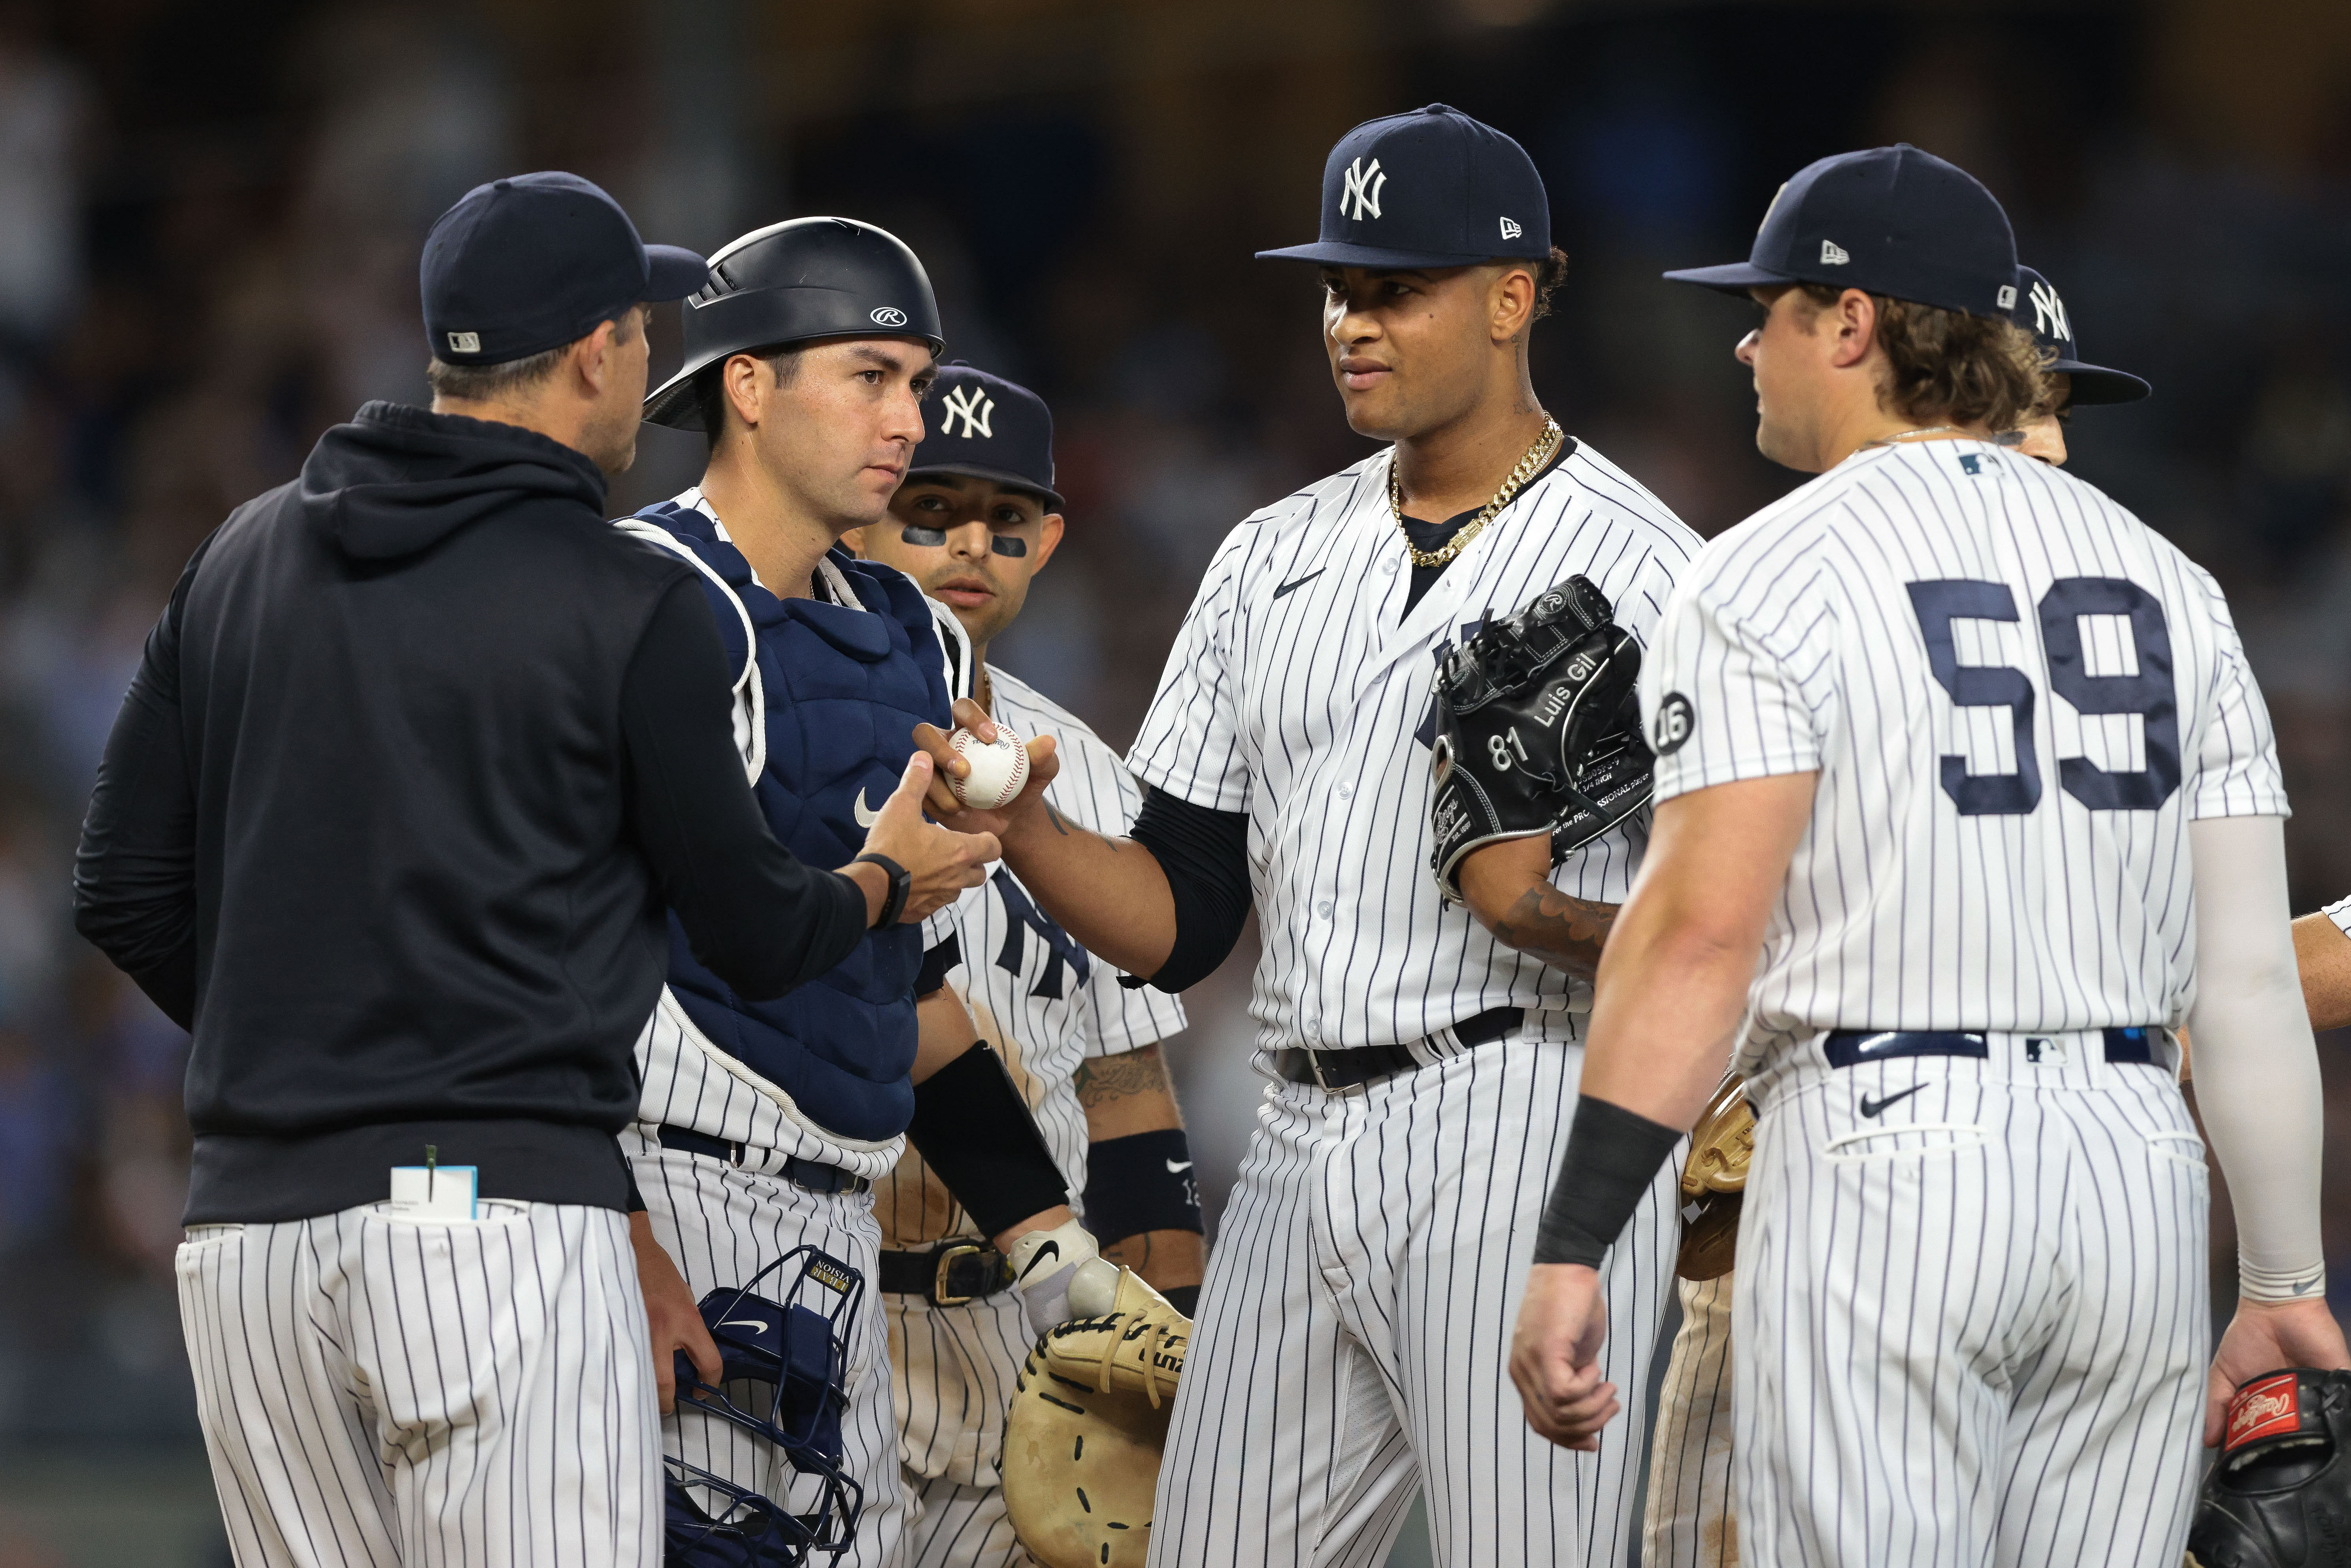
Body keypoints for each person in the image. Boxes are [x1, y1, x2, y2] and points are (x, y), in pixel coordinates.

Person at [71, 171, 990, 1568]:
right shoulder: (631, 600)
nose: (646, 358)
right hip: (489, 1224)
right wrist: (881, 879)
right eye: (639, 327)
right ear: (592, 355)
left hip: (251, 1240)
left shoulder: (243, 554)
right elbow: (754, 930)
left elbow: (122, 890)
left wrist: (320, 1063)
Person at [1509, 143, 2350, 1567]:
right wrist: (2282, 1277)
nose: (1744, 337)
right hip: (2137, 1181)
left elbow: (1705, 938)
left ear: (1855, 325)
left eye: (1771, 306)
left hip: (1888, 1160)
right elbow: (2250, 982)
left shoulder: (1767, 569)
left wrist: (1577, 1239)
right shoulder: (2174, 581)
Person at [916, 106, 1703, 1568]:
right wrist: (1024, 823)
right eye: (1339, 286)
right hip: (1289, 1135)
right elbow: (1190, 912)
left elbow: (1735, 918)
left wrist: (1547, 918)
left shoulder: (1661, 573)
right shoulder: (1268, 553)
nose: (1352, 320)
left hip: (1521, 1106)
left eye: (1395, 288)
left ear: (1517, 294)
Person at [1633, 259, 2155, 1568]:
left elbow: (2229, 973)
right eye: (2020, 405)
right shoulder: (1783, 610)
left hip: (1961, 1211)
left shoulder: (2134, 628)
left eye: (2058, 414)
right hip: (1792, 1227)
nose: (2037, 442)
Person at [623, 220, 1114, 1567]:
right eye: (870, 376)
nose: (911, 418)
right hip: (669, 1181)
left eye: (917, 377)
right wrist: (614, 1233)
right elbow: (531, 954)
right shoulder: (643, 597)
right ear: (749, 384)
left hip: (834, 1211)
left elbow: (908, 990)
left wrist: (1055, 1251)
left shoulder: (910, 636)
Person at [847, 361, 1205, 1568]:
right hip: (814, 1288)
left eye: (1005, 521)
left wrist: (1174, 1349)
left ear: (1049, 538)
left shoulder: (1089, 775)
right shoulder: (782, 729)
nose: (970, 546)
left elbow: (1129, 1097)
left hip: (1024, 1339)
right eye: (932, 509)